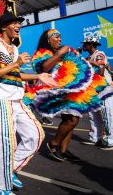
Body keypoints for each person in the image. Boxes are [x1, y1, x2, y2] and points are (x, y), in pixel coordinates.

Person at [0, 12, 56, 194]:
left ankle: (10, 169)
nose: (18, 26)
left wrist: (38, 75)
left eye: (18, 23)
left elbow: (16, 75)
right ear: (3, 27)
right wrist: (16, 63)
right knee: (5, 143)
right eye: (14, 23)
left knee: (36, 134)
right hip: (1, 99)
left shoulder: (13, 48)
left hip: (17, 99)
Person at [27, 29, 109, 162]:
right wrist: (60, 53)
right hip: (54, 89)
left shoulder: (66, 52)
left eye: (60, 37)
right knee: (72, 120)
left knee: (71, 118)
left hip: (70, 90)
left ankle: (63, 150)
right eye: (56, 37)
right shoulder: (41, 53)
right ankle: (53, 144)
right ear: (48, 40)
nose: (60, 39)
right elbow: (44, 68)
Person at [80, 36, 113, 150]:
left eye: (85, 44)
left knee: (107, 113)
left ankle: (110, 140)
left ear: (91, 45)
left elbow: (102, 71)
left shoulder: (99, 54)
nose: (84, 46)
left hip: (104, 89)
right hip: (94, 90)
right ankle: (96, 137)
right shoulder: (89, 56)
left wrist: (91, 62)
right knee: (92, 114)